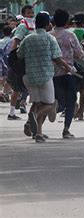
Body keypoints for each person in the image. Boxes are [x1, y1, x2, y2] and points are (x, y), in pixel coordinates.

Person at [17, 11, 71, 143]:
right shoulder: (50, 39)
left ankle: (39, 133)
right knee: (50, 103)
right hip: (46, 75)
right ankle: (33, 118)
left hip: (30, 76)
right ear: (48, 25)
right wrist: (67, 67)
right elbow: (57, 58)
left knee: (38, 103)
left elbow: (19, 54)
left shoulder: (28, 38)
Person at [50, 9, 84, 138]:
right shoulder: (70, 35)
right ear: (67, 22)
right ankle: (66, 129)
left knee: (57, 99)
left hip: (53, 73)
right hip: (68, 72)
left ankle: (53, 108)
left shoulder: (50, 35)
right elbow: (79, 54)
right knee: (71, 101)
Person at [8, 5, 35, 120]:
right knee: (17, 87)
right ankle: (12, 112)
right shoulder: (23, 26)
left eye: (32, 13)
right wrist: (13, 58)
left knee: (24, 86)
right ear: (24, 14)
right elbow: (15, 41)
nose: (31, 15)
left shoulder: (33, 26)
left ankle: (24, 104)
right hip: (22, 60)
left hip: (30, 59)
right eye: (28, 13)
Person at [0, 26, 13, 106]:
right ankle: (4, 93)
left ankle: (3, 93)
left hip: (1, 62)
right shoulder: (13, 42)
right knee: (8, 79)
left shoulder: (0, 41)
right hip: (9, 62)